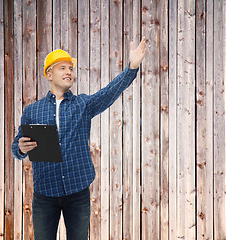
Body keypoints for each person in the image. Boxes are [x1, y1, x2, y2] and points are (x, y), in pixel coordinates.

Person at [11, 37, 147, 240]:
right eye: (62, 68)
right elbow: (17, 147)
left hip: (77, 192)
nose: (68, 72)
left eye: (71, 69)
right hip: (44, 195)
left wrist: (132, 67)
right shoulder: (32, 110)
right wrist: (21, 148)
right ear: (49, 74)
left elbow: (110, 91)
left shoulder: (83, 105)